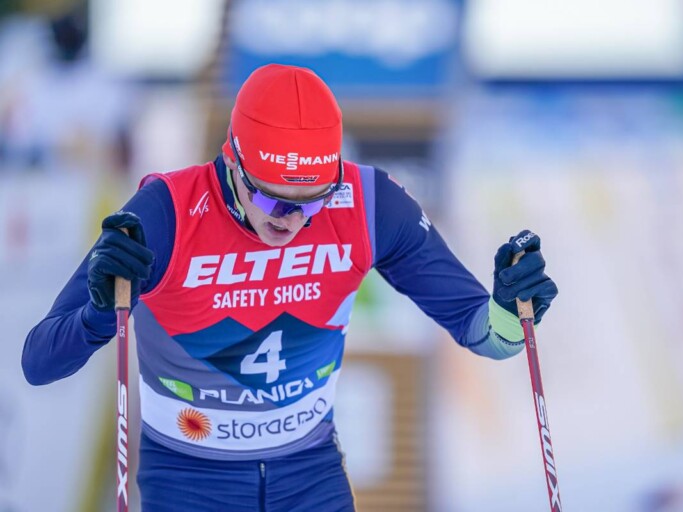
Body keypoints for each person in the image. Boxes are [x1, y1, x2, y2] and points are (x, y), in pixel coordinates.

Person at [22, 64, 558, 512]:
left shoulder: (371, 205)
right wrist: (98, 313)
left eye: (314, 200)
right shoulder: (164, 215)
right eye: (276, 200)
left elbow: (486, 333)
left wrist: (513, 311)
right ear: (232, 161)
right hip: (190, 478)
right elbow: (39, 362)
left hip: (309, 474)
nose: (294, 221)